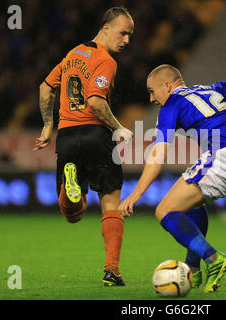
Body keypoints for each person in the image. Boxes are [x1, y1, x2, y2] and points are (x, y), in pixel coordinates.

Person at [118, 64, 226, 292]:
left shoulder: (172, 104)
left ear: (168, 85)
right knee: (192, 203)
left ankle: (213, 259)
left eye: (152, 91)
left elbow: (158, 153)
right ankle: (192, 268)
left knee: (165, 211)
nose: (151, 98)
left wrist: (136, 193)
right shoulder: (215, 88)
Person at [34, 7, 134, 286]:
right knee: (111, 202)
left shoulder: (73, 54)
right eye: (122, 32)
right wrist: (120, 128)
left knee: (72, 215)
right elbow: (95, 101)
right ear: (105, 28)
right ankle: (111, 271)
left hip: (66, 136)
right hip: (97, 134)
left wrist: (46, 126)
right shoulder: (106, 60)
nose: (126, 40)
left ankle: (73, 191)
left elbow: (45, 87)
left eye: (130, 35)